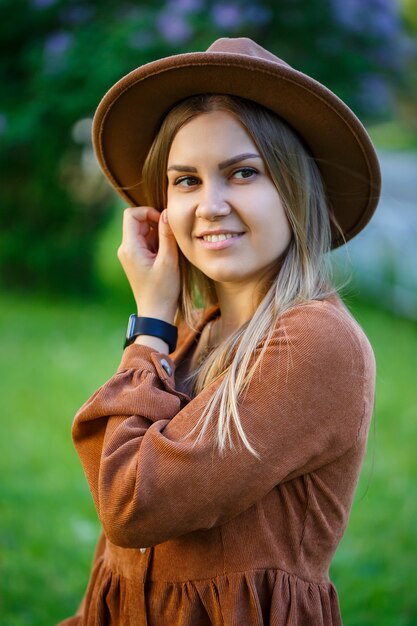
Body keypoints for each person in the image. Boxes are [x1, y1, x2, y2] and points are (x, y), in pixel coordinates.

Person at [59, 37, 380, 626]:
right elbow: (122, 562)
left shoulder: (314, 342)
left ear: (295, 190)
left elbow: (132, 506)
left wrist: (149, 325)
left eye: (243, 172)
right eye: (186, 181)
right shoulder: (199, 332)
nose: (210, 205)